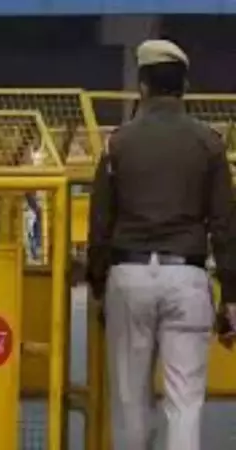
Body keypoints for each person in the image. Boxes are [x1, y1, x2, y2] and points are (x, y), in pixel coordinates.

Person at [87, 39, 235, 450]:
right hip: (187, 276)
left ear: (142, 86)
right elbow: (225, 225)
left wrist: (98, 282)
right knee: (184, 402)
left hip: (128, 275)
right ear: (184, 86)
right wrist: (231, 296)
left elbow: (100, 222)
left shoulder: (118, 144)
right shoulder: (209, 144)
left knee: (130, 401)